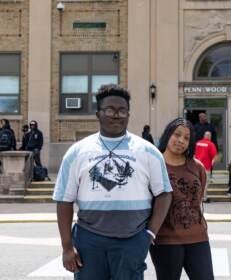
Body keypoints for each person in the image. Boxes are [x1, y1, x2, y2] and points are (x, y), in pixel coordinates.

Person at [52, 84, 173, 280]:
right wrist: (67, 247)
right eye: (109, 110)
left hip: (132, 241)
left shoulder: (148, 151)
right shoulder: (78, 152)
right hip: (89, 241)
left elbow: (164, 193)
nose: (116, 115)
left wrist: (149, 234)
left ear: (128, 114)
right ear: (98, 114)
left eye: (122, 110)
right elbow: (64, 200)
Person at [150, 117, 214, 280]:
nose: (181, 140)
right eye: (177, 135)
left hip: (198, 236)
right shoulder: (153, 165)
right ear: (167, 135)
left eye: (187, 138)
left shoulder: (196, 166)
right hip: (165, 239)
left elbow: (197, 200)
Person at [194, 131, 217, 203]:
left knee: (197, 182)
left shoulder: (197, 143)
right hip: (206, 167)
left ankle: (196, 197)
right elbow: (214, 157)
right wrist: (212, 165)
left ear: (204, 136)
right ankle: (204, 198)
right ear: (209, 136)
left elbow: (193, 155)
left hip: (197, 167)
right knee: (205, 183)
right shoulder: (210, 144)